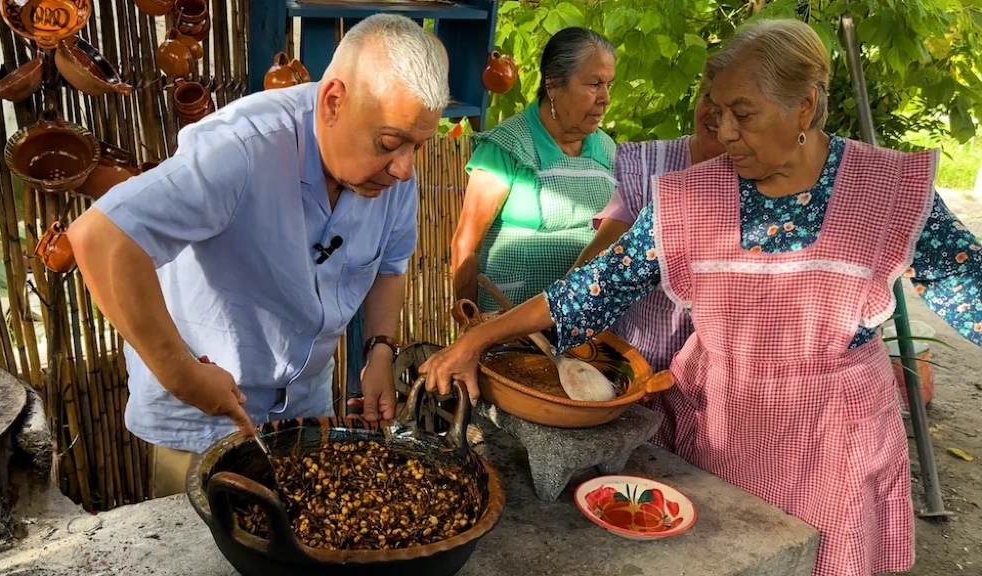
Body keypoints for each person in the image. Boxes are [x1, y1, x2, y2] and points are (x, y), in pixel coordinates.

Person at [420, 18, 982, 576]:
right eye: (717, 114)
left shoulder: (885, 189)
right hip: (720, 432)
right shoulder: (693, 196)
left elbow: (970, 291)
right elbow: (595, 287)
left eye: (744, 114)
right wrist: (482, 336)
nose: (725, 133)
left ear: (805, 107)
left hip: (835, 445)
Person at [67, 14, 449, 498]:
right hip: (208, 410)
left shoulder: (394, 172)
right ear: (333, 101)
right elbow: (102, 237)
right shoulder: (241, 149)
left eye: (418, 145)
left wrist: (379, 349)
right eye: (390, 144)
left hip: (304, 406)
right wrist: (182, 375)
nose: (403, 168)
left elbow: (390, 264)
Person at [451, 27, 617, 312]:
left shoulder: (607, 150)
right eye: (594, 85)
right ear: (553, 83)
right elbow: (466, 244)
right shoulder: (507, 147)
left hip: (587, 329)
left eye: (608, 85)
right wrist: (472, 329)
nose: (605, 98)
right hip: (509, 331)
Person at [572, 91, 724, 374]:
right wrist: (563, 321)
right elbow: (599, 262)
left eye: (731, 106)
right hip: (638, 357)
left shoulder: (765, 178)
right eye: (708, 95)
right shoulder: (652, 167)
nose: (715, 112)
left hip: (710, 374)